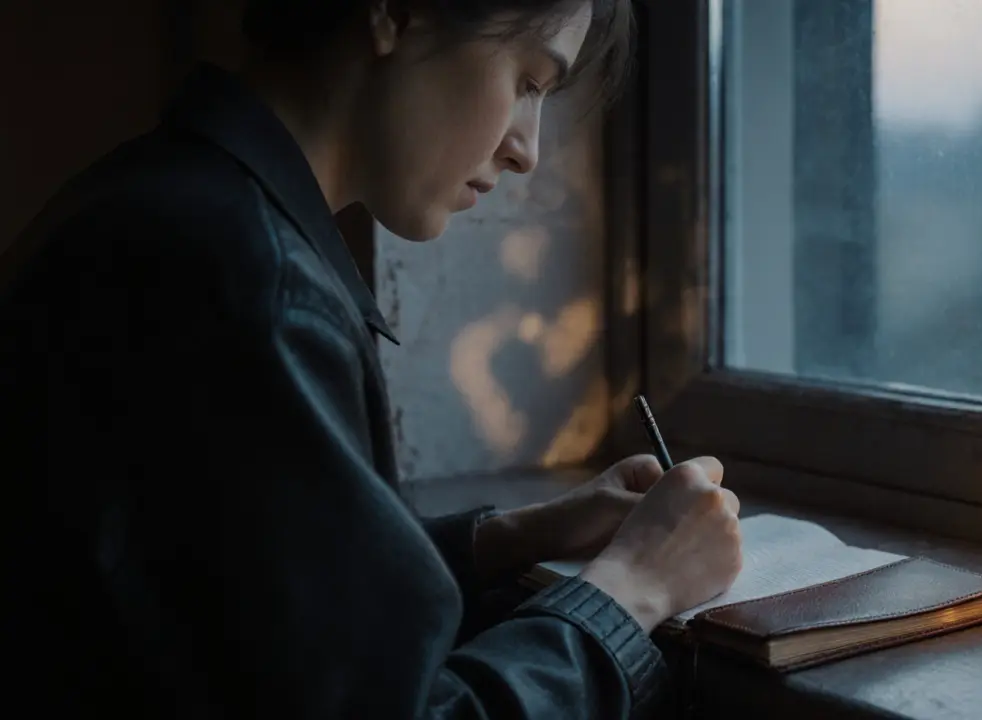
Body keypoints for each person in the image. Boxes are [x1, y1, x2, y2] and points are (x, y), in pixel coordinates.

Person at [0, 0, 743, 717]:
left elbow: (248, 599)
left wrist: (517, 537)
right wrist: (634, 588)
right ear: (394, 11)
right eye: (526, 81)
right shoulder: (246, 283)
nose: (528, 149)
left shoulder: (162, 205)